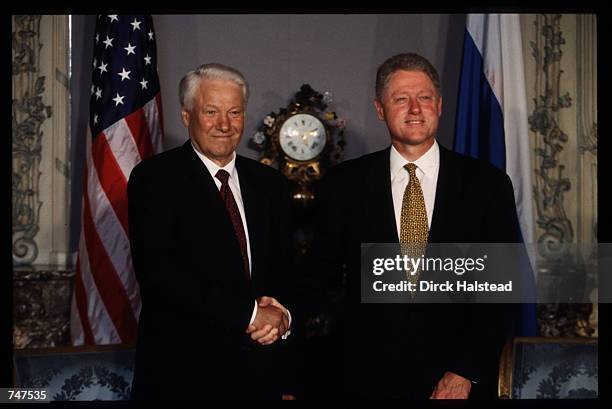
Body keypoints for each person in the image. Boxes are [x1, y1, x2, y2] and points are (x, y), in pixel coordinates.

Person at [303, 53, 520, 399]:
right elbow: (320, 283)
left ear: (440, 105)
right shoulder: (344, 185)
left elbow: (502, 290)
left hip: (455, 385)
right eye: (401, 99)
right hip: (362, 381)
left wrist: (464, 371)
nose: (415, 109)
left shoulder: (487, 185)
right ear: (380, 109)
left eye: (424, 98)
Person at [127, 63, 293, 399]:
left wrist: (283, 316)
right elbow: (161, 277)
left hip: (258, 375)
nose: (224, 125)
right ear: (187, 116)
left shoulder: (270, 184)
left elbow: (285, 269)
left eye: (234, 112)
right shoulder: (154, 179)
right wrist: (252, 314)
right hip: (182, 376)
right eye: (211, 111)